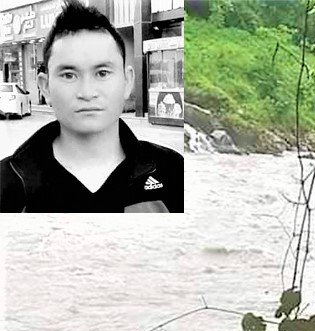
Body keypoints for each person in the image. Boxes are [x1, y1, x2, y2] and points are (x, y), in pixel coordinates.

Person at [0, 2, 183, 213]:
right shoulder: (8, 184)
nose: (87, 92)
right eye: (69, 75)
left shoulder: (173, 172)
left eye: (102, 73)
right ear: (45, 87)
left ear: (128, 81)